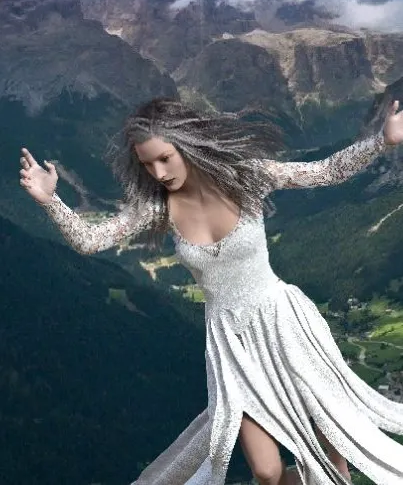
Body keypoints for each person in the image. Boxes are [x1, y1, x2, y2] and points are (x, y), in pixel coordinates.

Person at [19, 95, 403, 485]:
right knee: (267, 473)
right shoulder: (158, 208)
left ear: (187, 146)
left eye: (165, 158)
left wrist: (381, 141)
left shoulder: (245, 177)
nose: (158, 172)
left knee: (330, 445)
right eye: (147, 164)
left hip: (284, 321)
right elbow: (90, 240)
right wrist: (51, 201)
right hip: (230, 345)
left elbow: (325, 171)